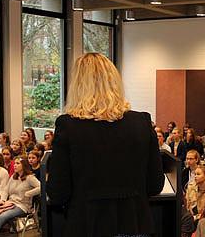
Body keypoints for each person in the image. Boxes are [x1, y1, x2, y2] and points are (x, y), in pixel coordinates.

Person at [46, 53, 164, 237]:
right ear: (115, 81)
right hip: (134, 224)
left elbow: (58, 191)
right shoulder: (141, 121)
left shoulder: (67, 125)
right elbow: (155, 184)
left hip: (86, 224)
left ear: (77, 86)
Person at [0, 157, 40, 237]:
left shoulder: (30, 178)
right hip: (10, 203)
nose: (15, 165)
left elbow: (41, 187)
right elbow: (5, 190)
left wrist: (28, 193)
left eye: (18, 163)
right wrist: (3, 200)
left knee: (2, 216)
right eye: (14, 164)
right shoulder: (14, 176)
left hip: (23, 206)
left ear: (24, 165)